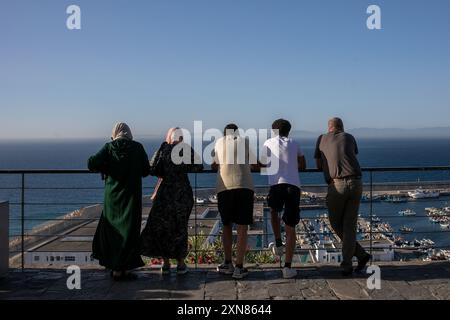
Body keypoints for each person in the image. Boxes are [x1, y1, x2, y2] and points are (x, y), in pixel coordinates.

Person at [88, 122, 150, 281]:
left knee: (113, 232)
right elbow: (146, 170)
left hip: (113, 198)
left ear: (114, 133)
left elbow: (91, 163)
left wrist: (106, 167)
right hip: (131, 197)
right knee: (129, 231)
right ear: (129, 133)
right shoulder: (138, 147)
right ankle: (126, 269)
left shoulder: (109, 148)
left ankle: (115, 268)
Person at [141, 128, 203, 275]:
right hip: (182, 193)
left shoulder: (164, 149)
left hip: (165, 194)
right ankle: (181, 264)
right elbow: (199, 166)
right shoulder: (186, 149)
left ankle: (166, 263)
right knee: (180, 228)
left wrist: (165, 168)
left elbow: (152, 168)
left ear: (169, 137)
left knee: (162, 228)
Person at [314, 117, 372, 276]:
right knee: (350, 226)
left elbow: (318, 164)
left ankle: (350, 263)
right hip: (356, 183)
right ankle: (359, 256)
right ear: (342, 127)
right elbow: (351, 154)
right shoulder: (350, 137)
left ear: (329, 128)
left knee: (335, 223)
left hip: (337, 184)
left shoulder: (321, 139)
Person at [212, 124, 257, 279]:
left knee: (226, 225)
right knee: (242, 228)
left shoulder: (218, 142)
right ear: (237, 133)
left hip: (224, 188)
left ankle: (227, 262)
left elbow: (214, 164)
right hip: (244, 186)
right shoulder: (244, 141)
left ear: (224, 134)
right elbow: (255, 163)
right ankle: (239, 267)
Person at [262, 119, 306, 279]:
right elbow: (303, 165)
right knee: (291, 226)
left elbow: (261, 163)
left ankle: (278, 243)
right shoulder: (295, 143)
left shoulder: (267, 142)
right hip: (293, 186)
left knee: (274, 212)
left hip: (276, 185)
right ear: (289, 131)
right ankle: (288, 267)